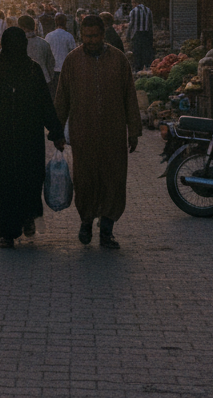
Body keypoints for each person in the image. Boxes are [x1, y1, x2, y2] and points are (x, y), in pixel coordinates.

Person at [0, 26, 65, 248]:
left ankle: (28, 218)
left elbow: (45, 105)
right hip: (2, 138)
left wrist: (57, 132)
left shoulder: (33, 70)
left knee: (30, 180)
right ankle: (7, 232)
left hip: (29, 137)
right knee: (3, 184)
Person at [55, 14, 142, 250]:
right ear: (81, 36)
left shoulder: (118, 60)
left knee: (113, 181)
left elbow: (130, 97)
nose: (90, 40)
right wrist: (56, 132)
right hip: (83, 136)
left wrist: (133, 131)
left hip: (113, 135)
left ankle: (107, 230)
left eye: (94, 36)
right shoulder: (72, 61)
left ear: (103, 35)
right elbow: (62, 98)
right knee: (85, 181)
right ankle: (85, 221)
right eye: (86, 36)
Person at [44, 13, 77, 99]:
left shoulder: (48, 36)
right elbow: (73, 53)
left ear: (55, 22)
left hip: (52, 70)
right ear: (65, 22)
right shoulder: (69, 36)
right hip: (64, 69)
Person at [19, 15, 55, 87]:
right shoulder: (44, 43)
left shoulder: (17, 44)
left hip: (24, 83)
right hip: (43, 80)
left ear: (23, 28)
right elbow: (51, 64)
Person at [126, 0, 153, 72]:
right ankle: (147, 70)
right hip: (147, 35)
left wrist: (128, 36)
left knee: (137, 55)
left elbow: (131, 25)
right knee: (146, 54)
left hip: (137, 35)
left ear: (134, 0)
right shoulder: (148, 10)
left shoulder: (133, 11)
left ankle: (138, 71)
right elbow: (151, 25)